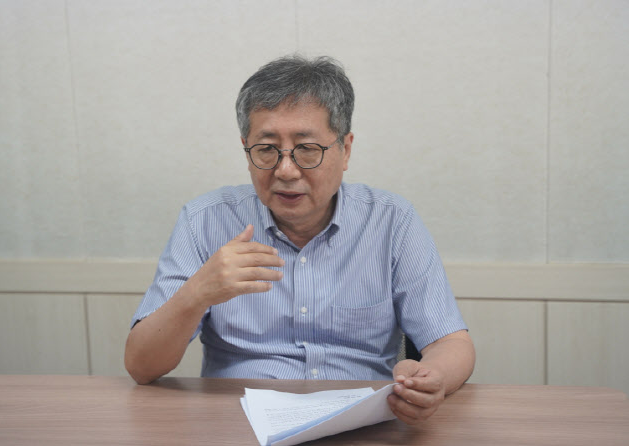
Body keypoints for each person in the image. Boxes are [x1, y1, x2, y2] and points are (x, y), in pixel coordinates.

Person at [125, 55, 475, 425]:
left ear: (345, 149)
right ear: (246, 150)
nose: (286, 170)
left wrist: (432, 379)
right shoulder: (204, 221)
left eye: (307, 148)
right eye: (266, 149)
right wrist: (197, 293)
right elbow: (141, 366)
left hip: (360, 423)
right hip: (239, 424)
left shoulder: (392, 221)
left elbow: (450, 342)